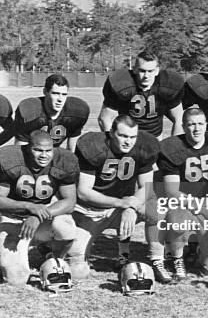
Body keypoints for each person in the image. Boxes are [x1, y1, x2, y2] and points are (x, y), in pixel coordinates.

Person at [68, 115, 159, 277]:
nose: (128, 141)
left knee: (156, 210)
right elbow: (84, 191)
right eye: (123, 136)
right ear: (111, 133)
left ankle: (157, 259)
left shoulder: (144, 146)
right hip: (92, 211)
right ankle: (51, 246)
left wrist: (131, 206)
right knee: (77, 271)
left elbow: (147, 186)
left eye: (132, 137)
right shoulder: (93, 146)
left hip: (122, 207)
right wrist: (121, 203)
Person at [155, 108, 208, 282]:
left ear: (206, 125)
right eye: (191, 124)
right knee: (177, 220)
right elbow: (171, 191)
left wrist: (206, 203)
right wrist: (198, 205)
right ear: (184, 126)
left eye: (200, 124)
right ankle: (177, 258)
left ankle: (198, 249)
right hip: (183, 204)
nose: (196, 129)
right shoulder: (172, 148)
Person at [0, 130, 81, 285]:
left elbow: (69, 202)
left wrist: (38, 215)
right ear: (27, 148)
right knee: (16, 279)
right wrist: (29, 207)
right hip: (15, 219)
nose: (44, 155)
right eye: (38, 150)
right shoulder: (11, 158)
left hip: (44, 217)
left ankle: (53, 258)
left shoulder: (64, 160)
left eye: (48, 151)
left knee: (66, 226)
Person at [98, 51, 185, 139]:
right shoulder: (122, 84)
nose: (146, 75)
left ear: (157, 71)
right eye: (142, 71)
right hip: (127, 136)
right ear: (135, 69)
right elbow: (105, 119)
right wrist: (112, 144)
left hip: (155, 138)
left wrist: (175, 146)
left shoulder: (167, 85)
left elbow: (179, 119)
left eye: (150, 71)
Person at [13, 74, 89, 151]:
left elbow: (72, 149)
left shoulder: (75, 112)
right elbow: (20, 150)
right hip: (33, 154)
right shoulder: (30, 112)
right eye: (55, 93)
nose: (60, 99)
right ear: (45, 92)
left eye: (64, 94)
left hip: (54, 153)